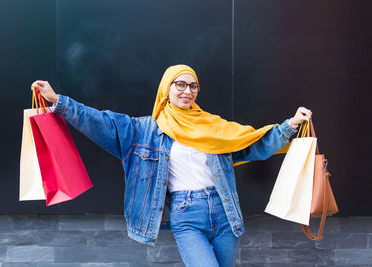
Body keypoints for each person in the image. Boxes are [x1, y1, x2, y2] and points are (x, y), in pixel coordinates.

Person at [32, 64, 311, 267]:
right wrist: (58, 100)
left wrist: (291, 125)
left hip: (226, 213)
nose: (187, 91)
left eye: (193, 86)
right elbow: (101, 121)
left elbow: (255, 144)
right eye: (180, 84)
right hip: (187, 216)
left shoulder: (214, 127)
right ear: (167, 88)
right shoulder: (143, 130)